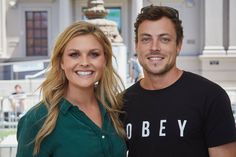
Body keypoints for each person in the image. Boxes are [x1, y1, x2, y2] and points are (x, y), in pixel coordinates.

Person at [122, 5, 236, 157]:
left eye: (164, 39)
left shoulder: (211, 97)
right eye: (146, 39)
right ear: (136, 46)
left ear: (178, 45)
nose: (154, 47)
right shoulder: (122, 103)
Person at [16, 21, 127, 157]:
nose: (85, 63)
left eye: (94, 54)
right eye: (74, 55)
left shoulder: (115, 109)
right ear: (61, 62)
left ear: (104, 60)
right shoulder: (38, 119)